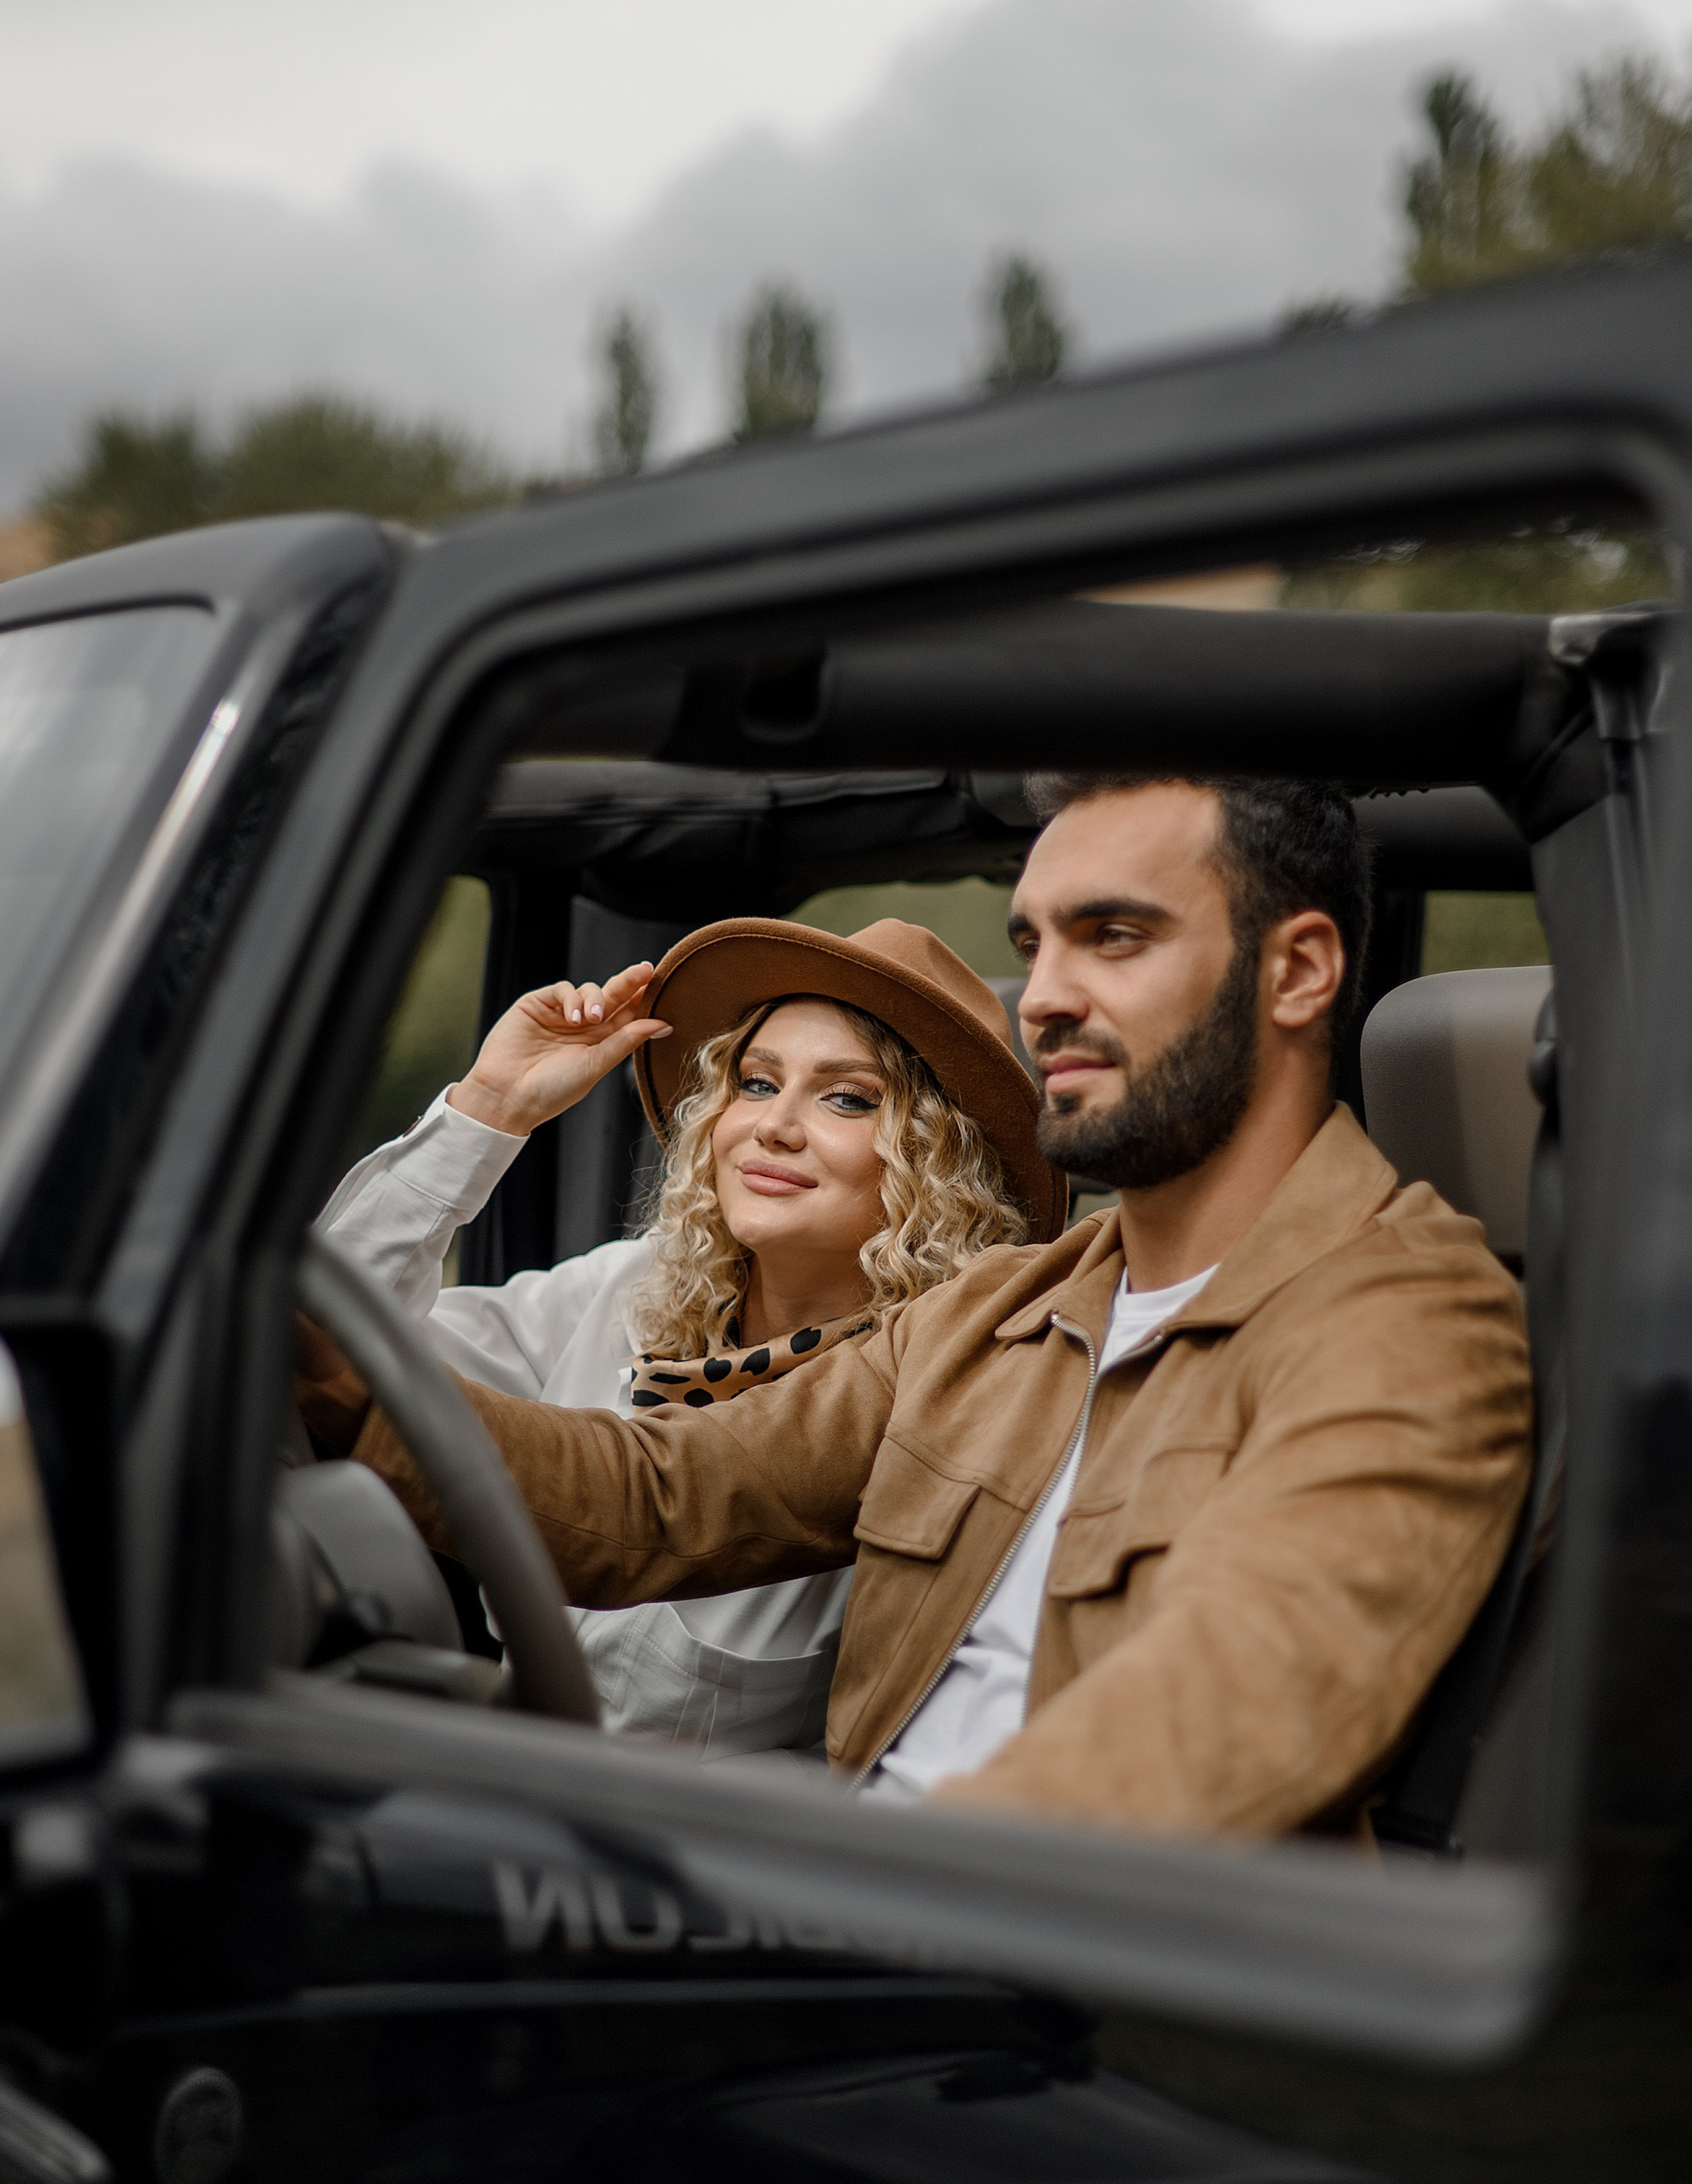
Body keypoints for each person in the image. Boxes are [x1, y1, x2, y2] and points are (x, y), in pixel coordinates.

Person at [344, 771, 1535, 1842]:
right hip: (849, 1936)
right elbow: (657, 1497)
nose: (1049, 997)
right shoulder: (1003, 1310)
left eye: (1114, 938)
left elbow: (1231, 1715)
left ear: (1299, 972)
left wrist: (861, 1884)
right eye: (1037, 943)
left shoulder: (1404, 1313)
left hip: (1073, 1991)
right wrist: (323, 1373)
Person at [307, 916, 1061, 1750]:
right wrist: (487, 1111)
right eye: (756, 1082)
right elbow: (315, 1338)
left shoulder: (953, 1393)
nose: (773, 1126)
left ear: (937, 1160)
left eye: (848, 1098)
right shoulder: (631, 1288)